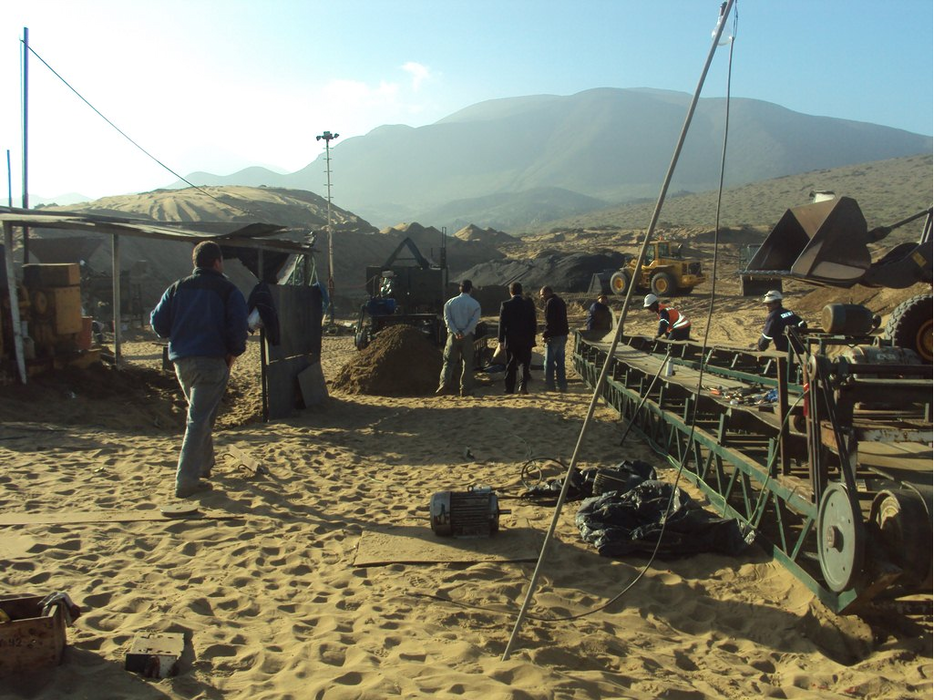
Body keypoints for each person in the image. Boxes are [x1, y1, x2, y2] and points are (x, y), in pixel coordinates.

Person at [151, 241, 248, 498]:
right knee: (198, 419)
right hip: (212, 360)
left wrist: (179, 334)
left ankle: (204, 467)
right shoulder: (227, 290)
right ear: (217, 262)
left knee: (202, 415)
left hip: (182, 361)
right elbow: (238, 326)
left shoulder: (176, 288)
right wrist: (233, 351)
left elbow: (157, 322)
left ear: (195, 262)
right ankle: (186, 480)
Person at [437, 279, 482, 397]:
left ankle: (444, 384)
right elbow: (474, 321)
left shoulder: (449, 303)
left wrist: (456, 331)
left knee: (448, 361)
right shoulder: (475, 304)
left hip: (453, 335)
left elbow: (447, 320)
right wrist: (465, 332)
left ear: (460, 289)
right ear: (470, 289)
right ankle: (465, 389)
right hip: (467, 336)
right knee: (467, 363)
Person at [498, 282, 537, 394]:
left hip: (511, 339)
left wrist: (501, 340)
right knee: (524, 363)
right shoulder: (528, 304)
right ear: (521, 291)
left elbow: (502, 324)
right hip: (526, 339)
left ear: (510, 292)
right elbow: (533, 323)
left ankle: (509, 388)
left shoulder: (505, 305)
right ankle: (522, 386)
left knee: (510, 363)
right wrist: (532, 338)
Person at [539, 286, 569, 392]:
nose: (541, 297)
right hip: (563, 335)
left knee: (549, 362)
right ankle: (562, 385)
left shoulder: (550, 303)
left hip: (554, 336)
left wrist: (545, 335)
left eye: (542, 294)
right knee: (560, 362)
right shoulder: (560, 301)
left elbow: (549, 322)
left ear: (547, 293)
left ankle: (550, 385)